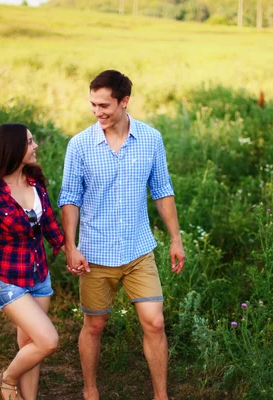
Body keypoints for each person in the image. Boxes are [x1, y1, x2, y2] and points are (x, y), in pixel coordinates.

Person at [58, 70, 186, 400]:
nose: (97, 111)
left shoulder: (150, 139)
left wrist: (175, 239)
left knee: (155, 323)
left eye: (104, 105)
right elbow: (69, 197)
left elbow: (162, 189)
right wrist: (71, 246)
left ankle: (161, 396)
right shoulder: (80, 145)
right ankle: (90, 391)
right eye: (93, 104)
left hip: (138, 250)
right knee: (95, 326)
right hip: (96, 254)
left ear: (124, 102)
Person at [0, 123, 65, 400]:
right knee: (48, 341)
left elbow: (49, 225)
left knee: (29, 342)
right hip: (8, 280)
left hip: (39, 277)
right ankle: (7, 379)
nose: (36, 146)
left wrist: (67, 248)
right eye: (29, 142)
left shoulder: (35, 181)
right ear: (13, 149)